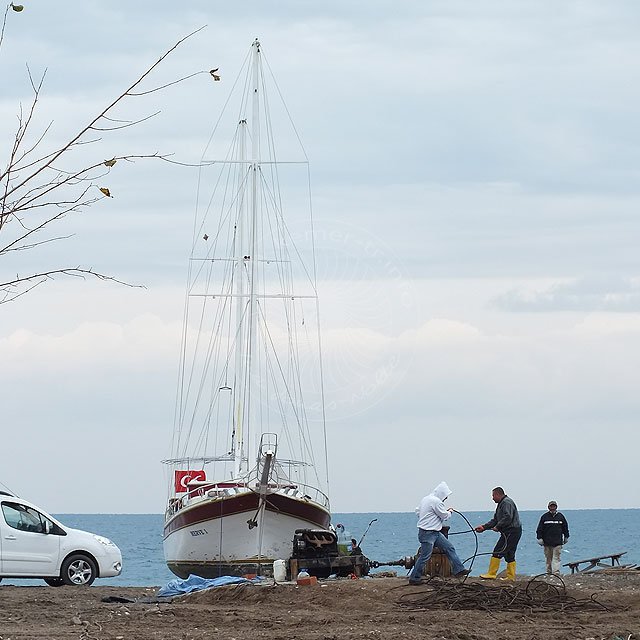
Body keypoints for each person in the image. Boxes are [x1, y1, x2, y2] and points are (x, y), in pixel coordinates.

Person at [407, 481, 471, 585]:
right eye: (445, 496)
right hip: (429, 533)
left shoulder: (426, 499)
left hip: (433, 532)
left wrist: (428, 518)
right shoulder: (436, 501)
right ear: (442, 494)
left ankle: (459, 570)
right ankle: (414, 578)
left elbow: (418, 511)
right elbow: (444, 516)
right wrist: (450, 511)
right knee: (424, 556)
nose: (446, 498)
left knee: (449, 547)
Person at [474, 486, 522, 581]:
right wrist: (484, 527)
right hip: (511, 531)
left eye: (493, 496)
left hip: (512, 531)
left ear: (497, 494)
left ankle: (491, 574)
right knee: (509, 553)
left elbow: (508, 517)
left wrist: (498, 527)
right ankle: (511, 577)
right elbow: (496, 520)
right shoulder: (501, 504)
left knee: (498, 551)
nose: (492, 498)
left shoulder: (506, 503)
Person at [536, 500, 569, 574]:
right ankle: (549, 572)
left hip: (558, 542)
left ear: (556, 507)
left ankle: (556, 572)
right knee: (548, 558)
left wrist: (566, 536)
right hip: (547, 542)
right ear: (548, 507)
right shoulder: (544, 517)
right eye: (551, 506)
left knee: (556, 558)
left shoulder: (561, 516)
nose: (553, 508)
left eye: (554, 506)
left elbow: (565, 527)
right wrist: (539, 538)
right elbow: (540, 529)